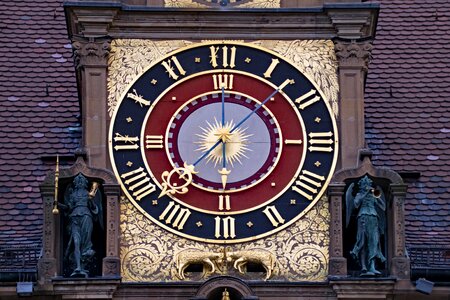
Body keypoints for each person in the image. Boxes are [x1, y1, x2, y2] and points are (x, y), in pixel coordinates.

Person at [61, 173, 101, 277]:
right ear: (75, 183)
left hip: (86, 217)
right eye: (78, 181)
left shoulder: (89, 193)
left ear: (85, 183)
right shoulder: (72, 194)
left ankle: (83, 265)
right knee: (76, 242)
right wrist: (57, 204)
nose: (80, 183)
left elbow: (94, 208)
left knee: (86, 242)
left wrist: (91, 200)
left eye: (81, 181)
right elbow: (68, 208)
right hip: (74, 217)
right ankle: (78, 267)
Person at [346, 175, 386, 275]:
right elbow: (356, 204)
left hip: (373, 217)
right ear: (362, 186)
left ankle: (372, 266)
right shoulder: (359, 194)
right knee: (362, 241)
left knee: (374, 241)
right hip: (362, 217)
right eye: (365, 185)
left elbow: (383, 207)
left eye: (368, 185)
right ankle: (363, 266)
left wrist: (376, 194)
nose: (367, 186)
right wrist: (366, 193)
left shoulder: (374, 195)